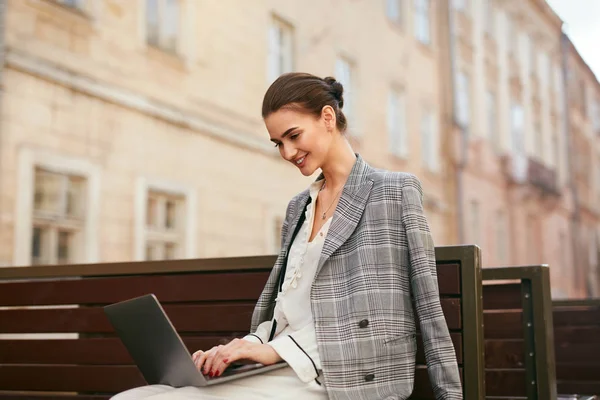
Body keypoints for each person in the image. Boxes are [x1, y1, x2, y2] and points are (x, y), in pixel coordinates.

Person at [112, 72, 462, 400]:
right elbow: (288, 309)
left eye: (294, 136)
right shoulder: (299, 207)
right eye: (278, 143)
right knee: (133, 396)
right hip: (286, 365)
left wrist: (450, 394)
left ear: (327, 118)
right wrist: (240, 348)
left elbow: (420, 307)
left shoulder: (394, 191)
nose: (288, 153)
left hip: (342, 378)